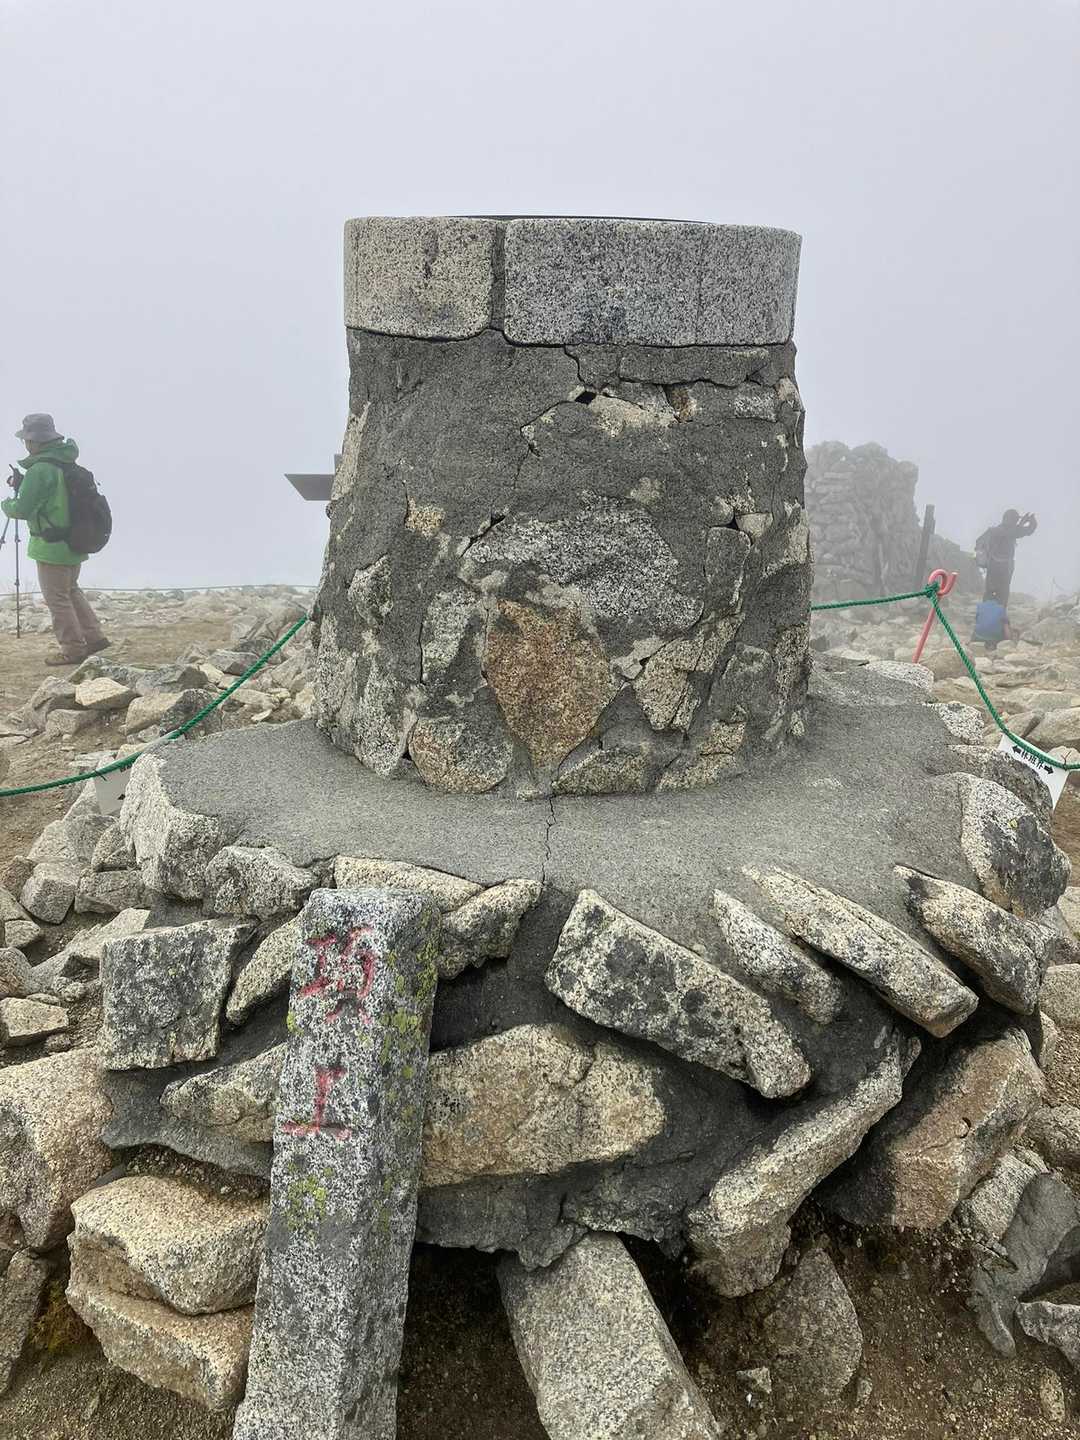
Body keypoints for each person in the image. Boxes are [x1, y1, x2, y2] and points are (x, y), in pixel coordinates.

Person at [2, 413, 110, 666]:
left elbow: (22, 509)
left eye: (27, 440)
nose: (26, 444)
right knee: (70, 590)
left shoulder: (40, 469)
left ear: (33, 441)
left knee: (57, 598)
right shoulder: (65, 462)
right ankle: (94, 637)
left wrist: (6, 504)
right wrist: (25, 483)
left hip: (50, 545)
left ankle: (72, 649)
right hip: (74, 539)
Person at [974, 508, 1037, 607]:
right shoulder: (1012, 531)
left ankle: (986, 613)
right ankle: (998, 613)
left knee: (990, 591)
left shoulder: (993, 530)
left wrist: (1021, 523)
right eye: (1015, 519)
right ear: (1011, 520)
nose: (1015, 522)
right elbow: (1029, 530)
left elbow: (978, 542)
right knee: (1003, 593)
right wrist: (1031, 521)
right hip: (1005, 566)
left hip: (992, 564)